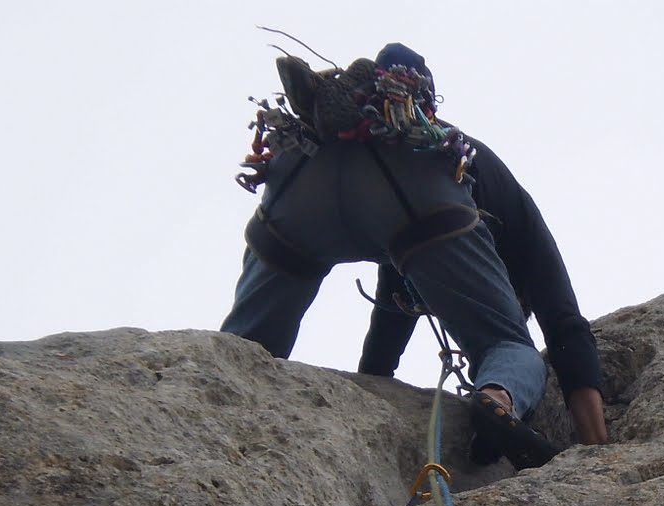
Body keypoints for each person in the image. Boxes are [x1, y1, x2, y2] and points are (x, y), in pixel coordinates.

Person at [221, 43, 556, 469]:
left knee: (245, 347)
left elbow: (392, 308)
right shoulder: (482, 169)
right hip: (416, 183)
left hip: (301, 171)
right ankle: (498, 397)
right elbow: (561, 312)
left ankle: (218, 391)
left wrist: (375, 378)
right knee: (507, 344)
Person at [359, 134, 609, 459]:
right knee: (512, 347)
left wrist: (364, 390)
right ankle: (499, 396)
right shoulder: (524, 233)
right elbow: (566, 329)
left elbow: (390, 319)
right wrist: (597, 451)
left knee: (298, 264)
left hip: (370, 171)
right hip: (441, 182)